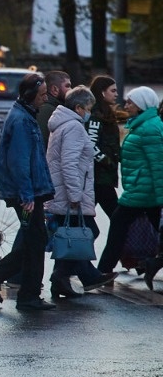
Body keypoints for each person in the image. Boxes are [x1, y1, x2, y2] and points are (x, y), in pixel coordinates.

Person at [0, 74, 56, 310]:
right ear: (31, 96)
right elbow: (19, 161)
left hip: (32, 191)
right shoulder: (22, 120)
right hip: (28, 193)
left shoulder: (24, 115)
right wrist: (27, 195)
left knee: (34, 241)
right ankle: (26, 295)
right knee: (34, 242)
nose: (45, 99)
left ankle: (1, 277)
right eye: (42, 95)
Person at [44, 85, 117, 298]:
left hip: (63, 192)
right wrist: (75, 195)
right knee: (87, 232)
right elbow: (69, 164)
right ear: (78, 108)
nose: (90, 113)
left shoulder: (63, 124)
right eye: (88, 108)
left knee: (70, 235)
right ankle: (71, 276)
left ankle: (66, 279)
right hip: (69, 194)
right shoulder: (73, 127)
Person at [96, 87, 163, 278]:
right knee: (127, 227)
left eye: (130, 102)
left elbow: (158, 165)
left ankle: (103, 271)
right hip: (143, 190)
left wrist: (161, 197)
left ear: (141, 105)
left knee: (118, 226)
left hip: (144, 191)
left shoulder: (148, 128)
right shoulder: (144, 125)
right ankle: (105, 270)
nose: (126, 105)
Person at [86, 76, 121, 220]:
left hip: (102, 177)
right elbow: (90, 145)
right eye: (113, 91)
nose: (116, 94)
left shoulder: (106, 113)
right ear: (102, 92)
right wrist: (106, 161)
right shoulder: (95, 117)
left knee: (84, 219)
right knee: (118, 217)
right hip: (99, 178)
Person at [37, 70, 71, 148]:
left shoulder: (54, 108)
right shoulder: (49, 110)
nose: (70, 90)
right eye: (67, 86)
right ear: (55, 89)